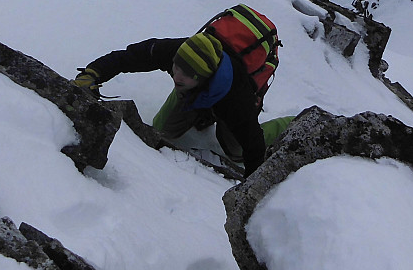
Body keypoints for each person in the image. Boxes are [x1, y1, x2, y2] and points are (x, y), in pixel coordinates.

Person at [73, 32, 293, 176]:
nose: (176, 75)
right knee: (161, 131)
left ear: (203, 77)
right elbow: (128, 57)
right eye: (176, 67)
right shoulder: (178, 52)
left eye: (186, 74)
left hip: (229, 98)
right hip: (194, 93)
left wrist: (249, 190)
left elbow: (254, 146)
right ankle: (201, 112)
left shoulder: (235, 100)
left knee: (236, 151)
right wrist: (93, 74)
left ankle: (290, 122)